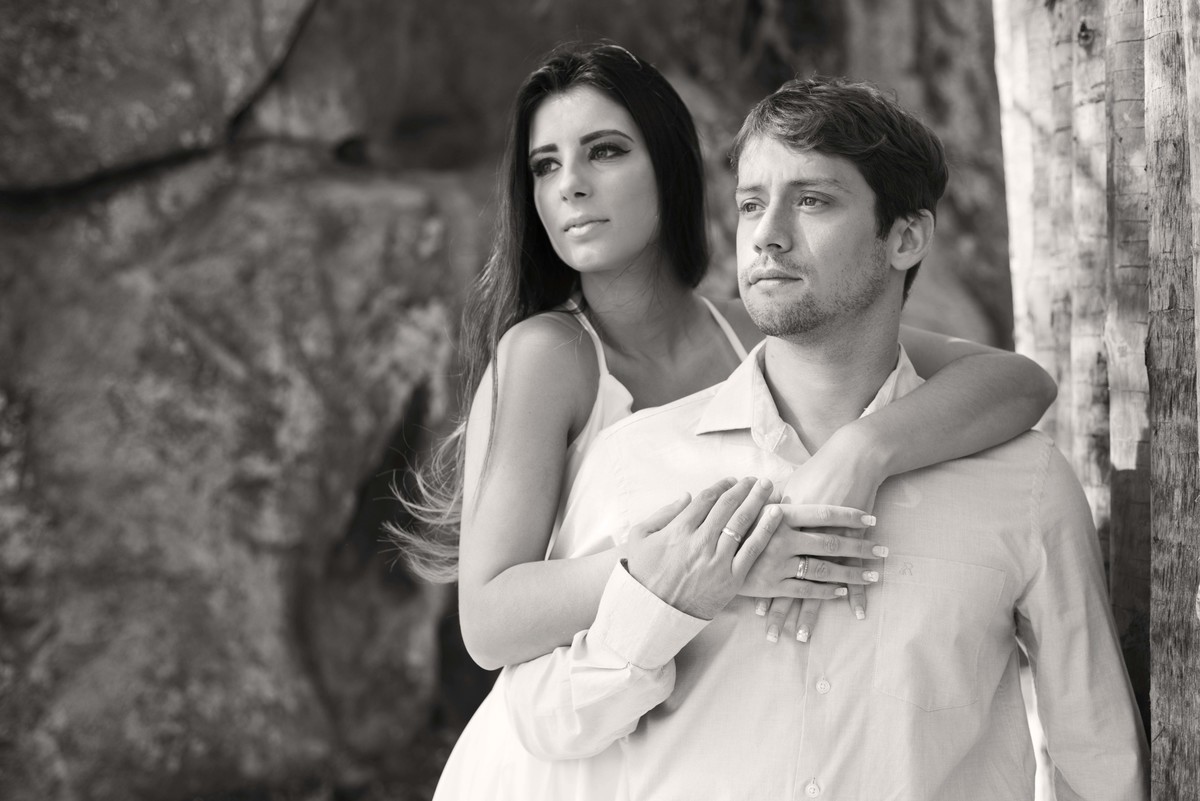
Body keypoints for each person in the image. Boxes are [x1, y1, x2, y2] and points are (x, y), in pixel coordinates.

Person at [389, 44, 1056, 799]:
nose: (570, 184)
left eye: (604, 151)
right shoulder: (546, 354)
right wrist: (705, 562)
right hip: (552, 759)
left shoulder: (754, 329)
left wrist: (864, 450)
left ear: (670, 166)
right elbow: (488, 621)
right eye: (545, 165)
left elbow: (1017, 381)